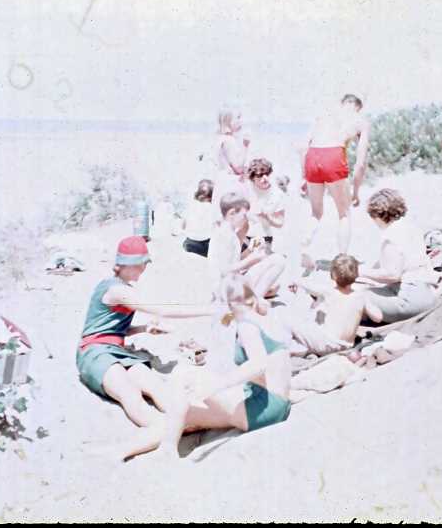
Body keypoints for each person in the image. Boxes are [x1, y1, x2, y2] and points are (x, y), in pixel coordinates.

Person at [117, 275, 293, 460]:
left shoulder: (247, 326)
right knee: (182, 416)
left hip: (262, 407)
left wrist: (218, 385)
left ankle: (168, 448)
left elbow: (259, 364)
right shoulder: (264, 313)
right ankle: (123, 451)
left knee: (184, 376)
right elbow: (276, 366)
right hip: (276, 405)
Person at [76, 236, 213, 432]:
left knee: (155, 385)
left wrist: (143, 329)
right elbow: (163, 310)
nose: (144, 269)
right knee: (130, 393)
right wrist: (210, 310)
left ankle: (194, 419)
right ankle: (162, 429)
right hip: (94, 353)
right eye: (142, 264)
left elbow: (112, 330)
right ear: (131, 264)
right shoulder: (116, 290)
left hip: (117, 350)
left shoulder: (121, 288)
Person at [301, 94, 371, 257]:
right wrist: (355, 192)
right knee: (344, 214)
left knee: (316, 213)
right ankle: (342, 259)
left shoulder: (324, 115)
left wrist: (304, 176)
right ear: (358, 107)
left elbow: (304, 147)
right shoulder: (360, 121)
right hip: (334, 155)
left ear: (342, 103)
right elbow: (360, 163)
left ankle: (303, 243)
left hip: (312, 155)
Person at [356, 188, 439, 323]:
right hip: (429, 294)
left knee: (356, 296)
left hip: (410, 301)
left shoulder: (390, 236)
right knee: (369, 291)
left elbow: (392, 275)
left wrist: (359, 272)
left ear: (378, 214)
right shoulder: (412, 228)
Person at [285, 253, 382, 356]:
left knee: (289, 319)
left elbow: (309, 286)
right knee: (321, 306)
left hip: (326, 345)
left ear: (333, 275)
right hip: (346, 346)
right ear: (356, 274)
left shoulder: (329, 292)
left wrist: (295, 281)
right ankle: (303, 345)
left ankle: (291, 346)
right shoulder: (360, 295)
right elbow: (378, 317)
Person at [207, 192, 286, 309]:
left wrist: (251, 252)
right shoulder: (224, 235)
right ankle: (252, 302)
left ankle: (252, 300)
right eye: (244, 215)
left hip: (229, 284)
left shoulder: (227, 232)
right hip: (225, 288)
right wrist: (252, 259)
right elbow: (224, 270)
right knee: (278, 260)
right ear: (232, 213)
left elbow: (232, 261)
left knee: (275, 280)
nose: (246, 219)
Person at [212, 110, 250, 220]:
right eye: (237, 118)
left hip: (222, 181)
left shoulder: (220, 139)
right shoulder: (229, 141)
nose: (240, 121)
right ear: (228, 121)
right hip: (231, 183)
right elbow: (238, 167)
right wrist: (245, 146)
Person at [245, 158, 286, 251]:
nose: (265, 178)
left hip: (262, 237)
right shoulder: (246, 189)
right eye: (260, 175)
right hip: (243, 236)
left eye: (267, 174)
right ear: (252, 177)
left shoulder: (278, 194)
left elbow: (280, 223)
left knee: (253, 255)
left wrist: (267, 217)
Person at [182, 179, 217, 258]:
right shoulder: (212, 208)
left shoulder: (191, 205)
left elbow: (183, 226)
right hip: (204, 244)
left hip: (188, 243)